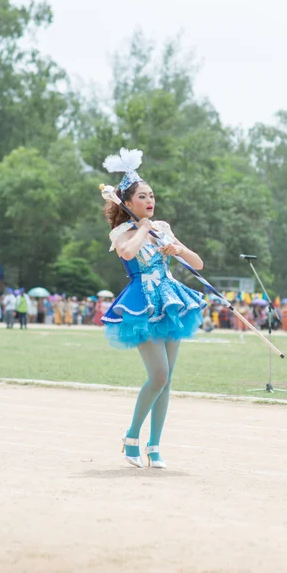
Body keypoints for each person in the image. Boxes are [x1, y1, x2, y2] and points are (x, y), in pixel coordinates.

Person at [101, 148, 206, 469]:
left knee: (168, 378)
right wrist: (143, 229)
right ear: (128, 203)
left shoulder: (163, 227)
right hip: (141, 302)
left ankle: (155, 445)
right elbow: (129, 254)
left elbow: (198, 263)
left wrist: (178, 248)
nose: (150, 200)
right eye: (143, 196)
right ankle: (131, 436)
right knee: (158, 375)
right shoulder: (122, 231)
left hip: (170, 298)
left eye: (152, 195)